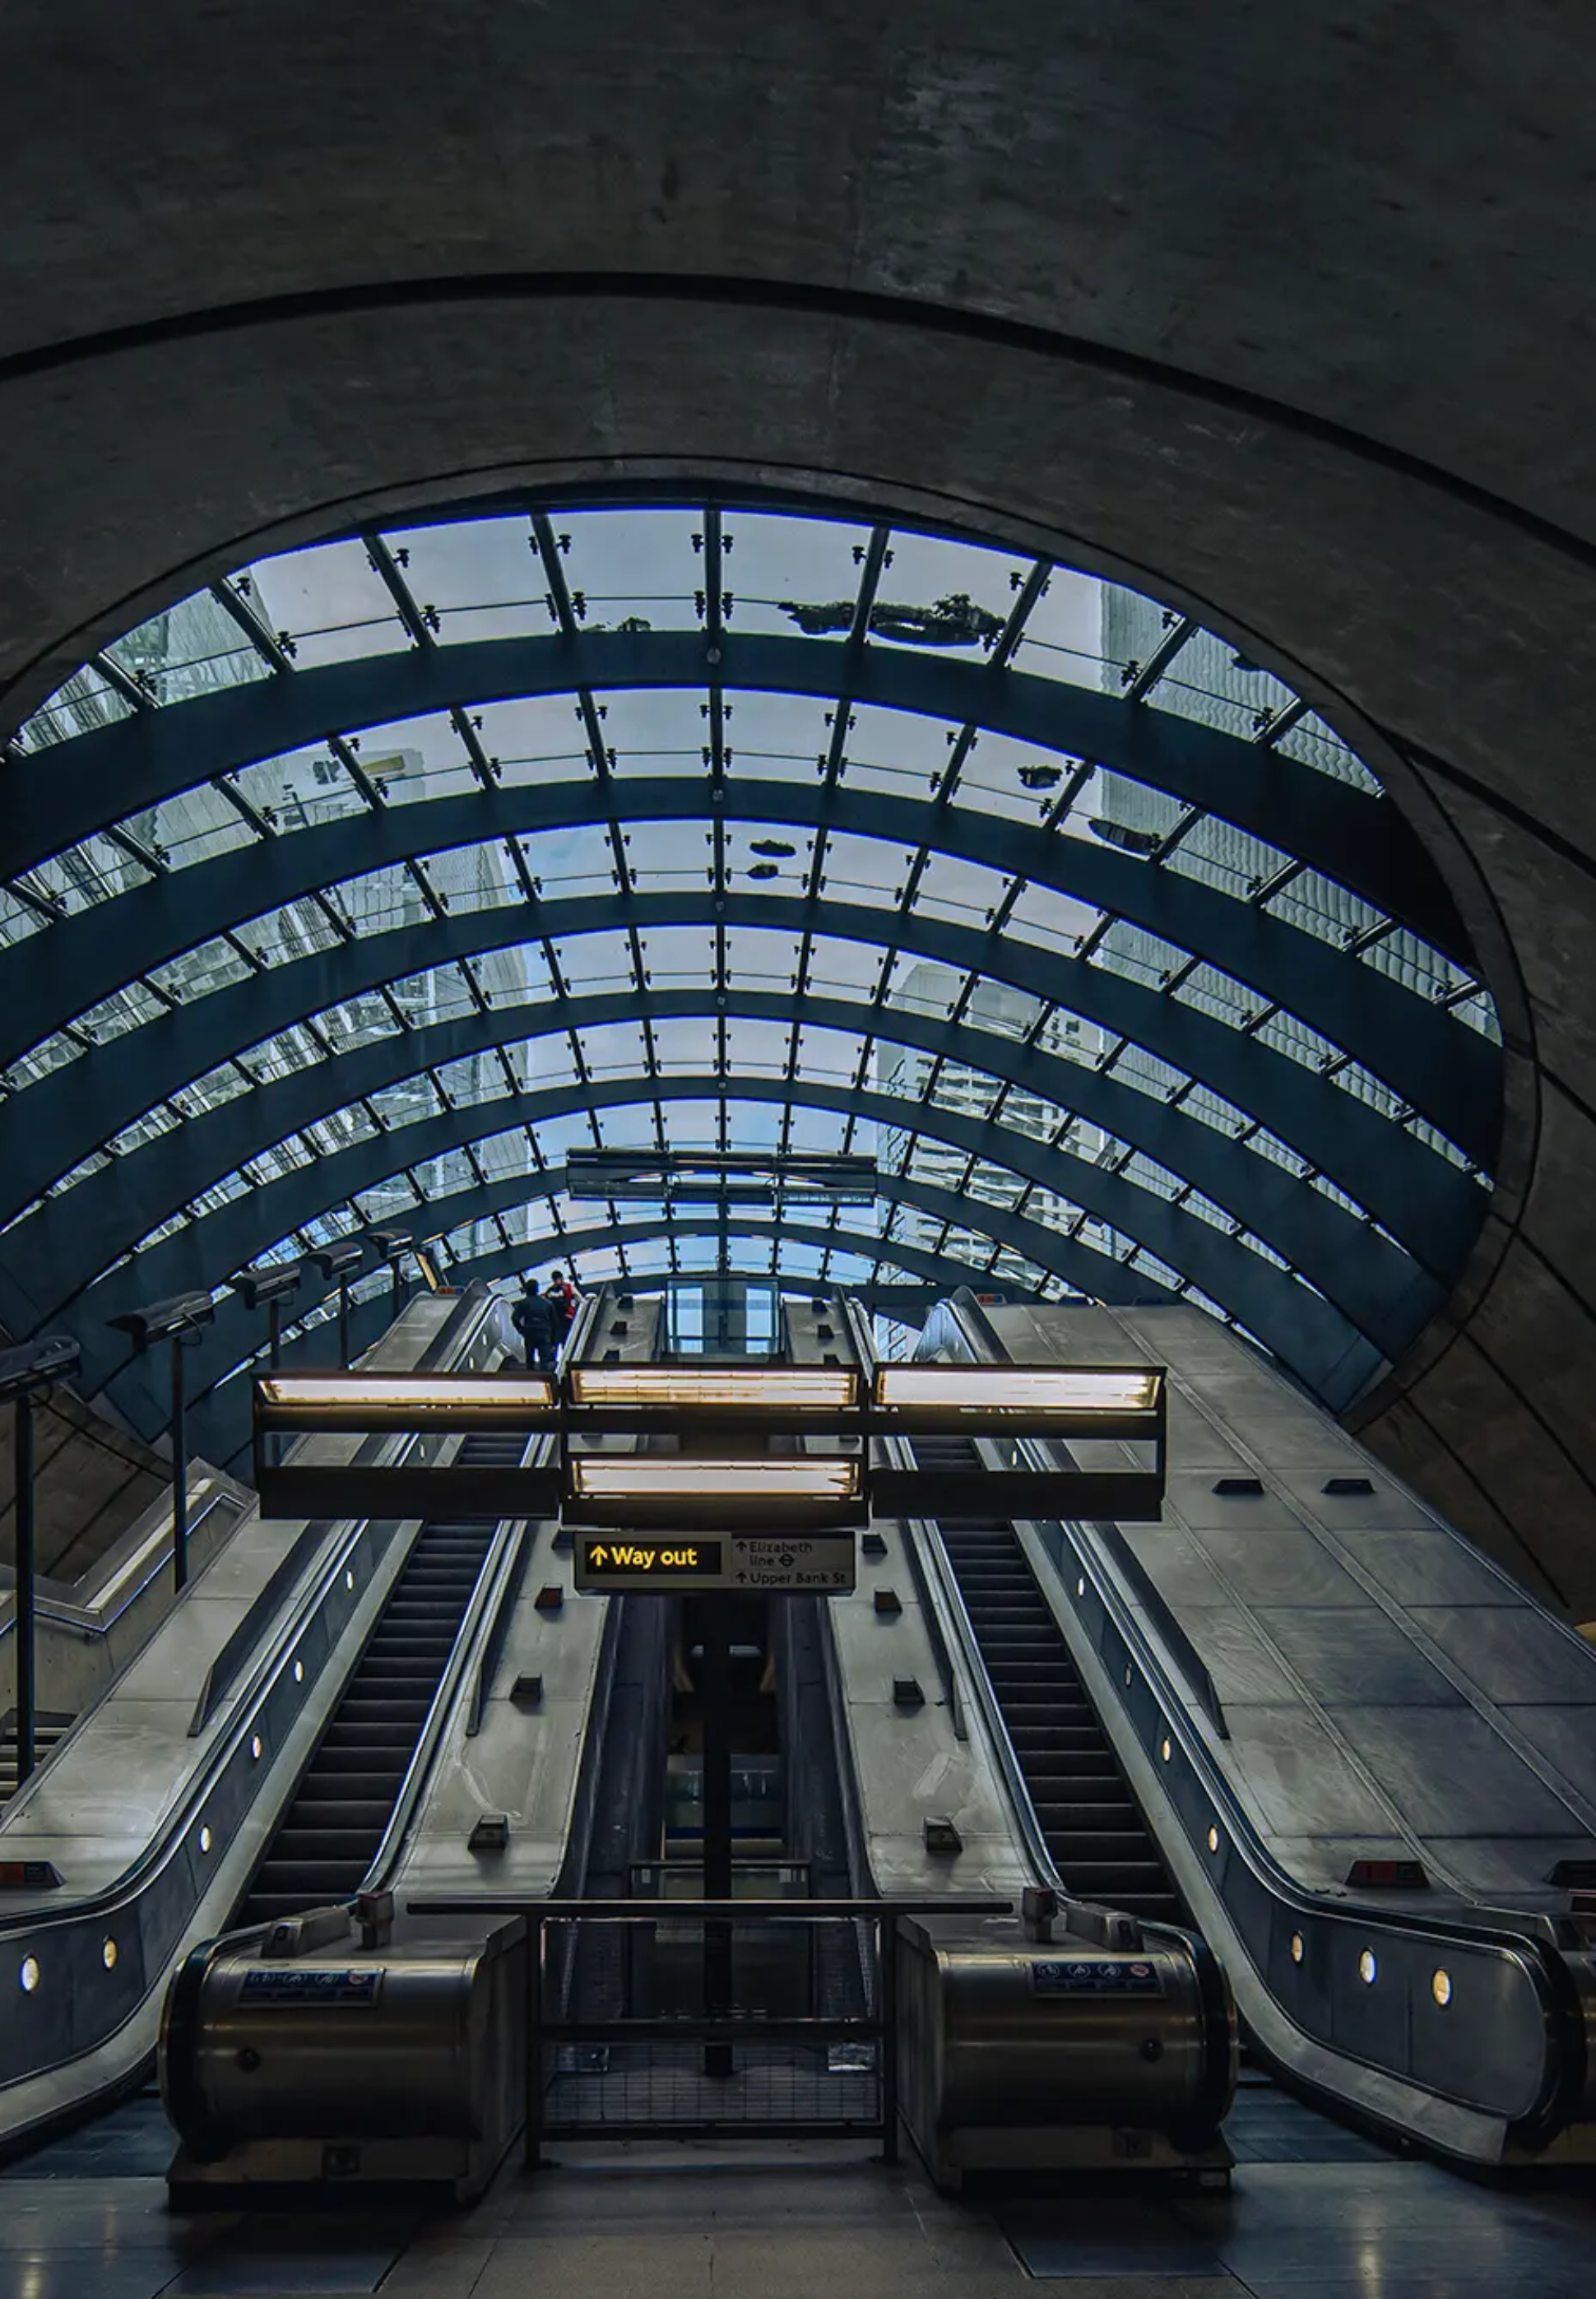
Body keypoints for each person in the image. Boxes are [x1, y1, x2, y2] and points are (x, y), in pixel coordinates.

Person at [509, 1277, 559, 1368]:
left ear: (527, 1290)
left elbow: (515, 1318)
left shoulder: (523, 1303)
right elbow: (555, 1323)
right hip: (544, 1332)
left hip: (530, 1332)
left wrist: (522, 1330)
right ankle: (545, 1377)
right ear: (537, 1289)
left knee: (529, 1357)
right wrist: (553, 1340)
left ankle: (530, 1375)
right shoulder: (547, 1303)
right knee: (544, 1359)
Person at [547, 1267, 579, 1341]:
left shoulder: (550, 1291)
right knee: (565, 1337)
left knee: (565, 1337)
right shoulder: (567, 1287)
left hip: (563, 1317)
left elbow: (578, 1298)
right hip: (562, 1318)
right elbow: (579, 1298)